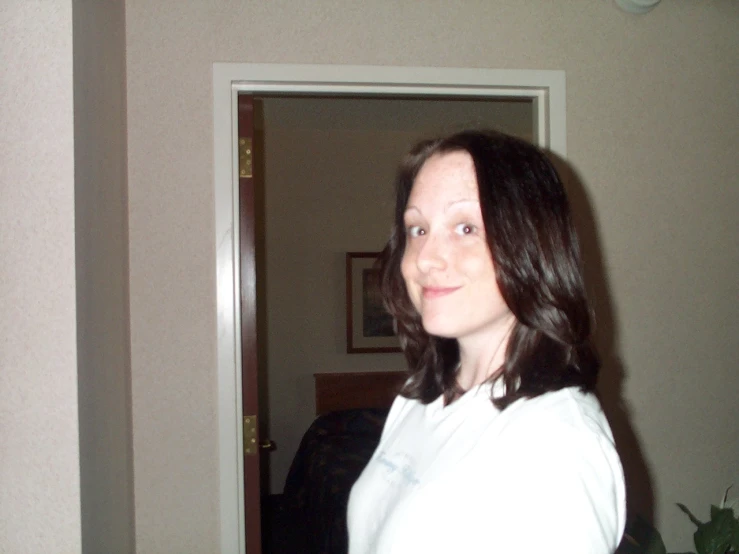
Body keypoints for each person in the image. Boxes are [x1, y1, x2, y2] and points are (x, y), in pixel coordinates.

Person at [346, 130, 626, 553]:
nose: (425, 258)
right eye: (417, 229)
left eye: (464, 227)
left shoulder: (555, 444)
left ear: (531, 244)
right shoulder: (420, 401)